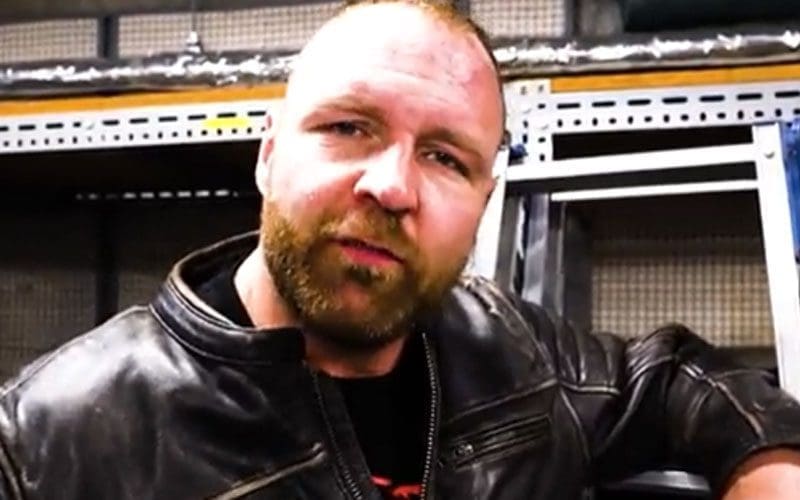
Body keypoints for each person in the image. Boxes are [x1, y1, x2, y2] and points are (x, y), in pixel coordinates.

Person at [1, 1, 800, 498]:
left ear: (483, 200)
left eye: (446, 158)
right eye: (349, 127)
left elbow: (678, 380)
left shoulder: (512, 354)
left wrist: (768, 468)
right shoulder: (45, 443)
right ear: (269, 154)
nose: (391, 187)